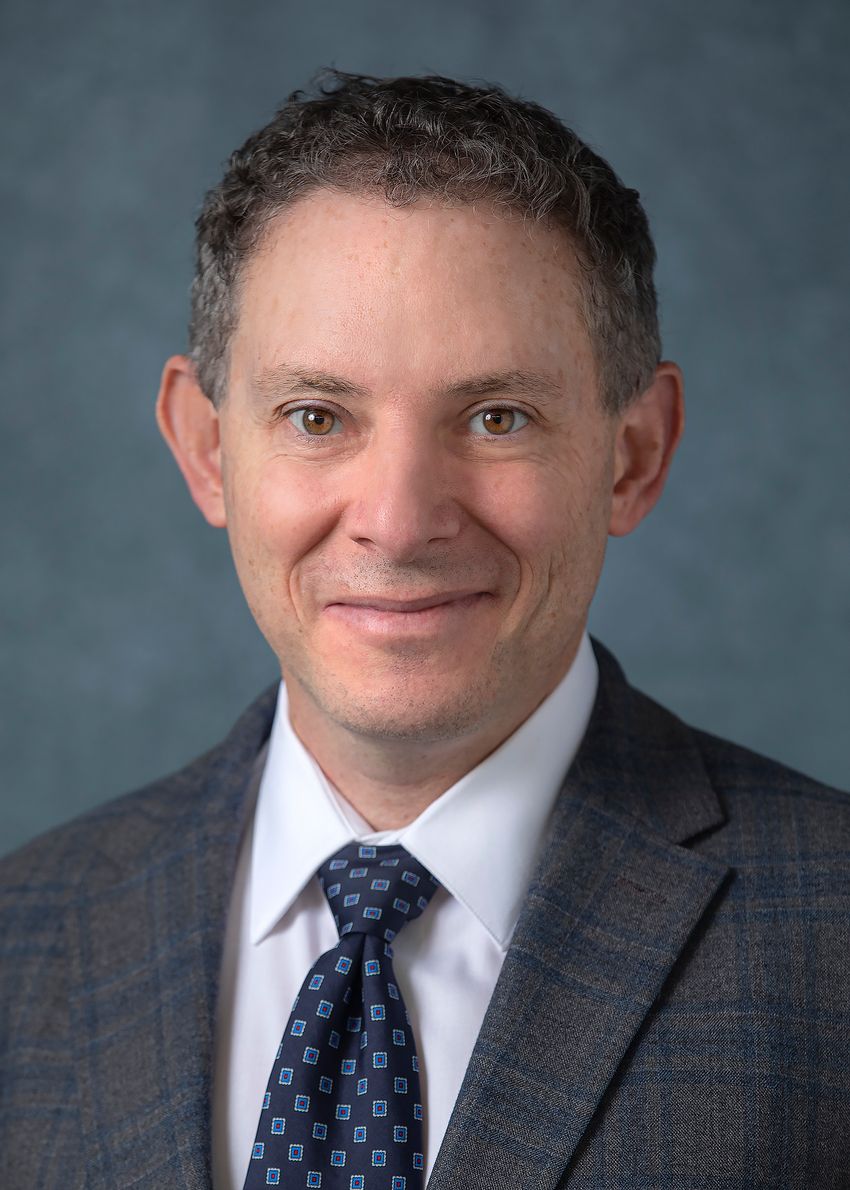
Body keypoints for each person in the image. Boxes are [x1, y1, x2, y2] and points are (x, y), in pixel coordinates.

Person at [1, 70, 848, 1190]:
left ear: (631, 455)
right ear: (208, 449)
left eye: (496, 417)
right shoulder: (24, 936)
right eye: (316, 415)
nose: (398, 522)